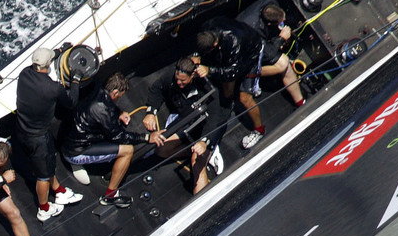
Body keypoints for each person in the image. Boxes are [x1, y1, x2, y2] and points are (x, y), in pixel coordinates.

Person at [14, 46, 84, 221]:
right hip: (38, 139)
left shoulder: (24, 74)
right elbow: (71, 102)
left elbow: (43, 62)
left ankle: (59, 191)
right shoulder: (53, 88)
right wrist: (75, 80)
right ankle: (44, 209)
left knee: (47, 165)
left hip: (21, 131)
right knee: (43, 176)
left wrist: (59, 51)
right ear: (48, 65)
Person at [60, 71, 142, 208]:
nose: (119, 99)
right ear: (115, 92)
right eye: (119, 96)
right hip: (75, 152)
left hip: (68, 141)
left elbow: (104, 107)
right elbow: (118, 136)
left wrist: (119, 112)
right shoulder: (102, 110)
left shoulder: (96, 89)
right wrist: (146, 137)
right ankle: (110, 196)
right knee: (128, 150)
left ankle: (75, 161)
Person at [145, 58, 223, 195]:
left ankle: (209, 152)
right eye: (177, 79)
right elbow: (157, 89)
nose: (179, 83)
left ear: (192, 76)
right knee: (161, 150)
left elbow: (214, 120)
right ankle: (192, 149)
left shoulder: (208, 91)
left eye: (183, 81)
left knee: (197, 161)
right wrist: (151, 112)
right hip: (188, 122)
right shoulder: (172, 78)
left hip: (208, 127)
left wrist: (205, 141)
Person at [195, 17, 266, 148]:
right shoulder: (207, 27)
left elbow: (232, 72)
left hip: (251, 54)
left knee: (245, 97)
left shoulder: (234, 43)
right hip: (234, 51)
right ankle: (228, 100)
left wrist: (209, 69)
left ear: (215, 45)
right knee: (227, 86)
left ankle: (259, 130)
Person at [237, 0, 305, 107]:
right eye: (280, 22)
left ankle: (301, 102)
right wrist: (281, 39)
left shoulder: (270, 2)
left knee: (285, 64)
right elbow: (268, 54)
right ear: (268, 23)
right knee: (283, 64)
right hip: (243, 52)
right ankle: (248, 74)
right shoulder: (253, 31)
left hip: (257, 39)